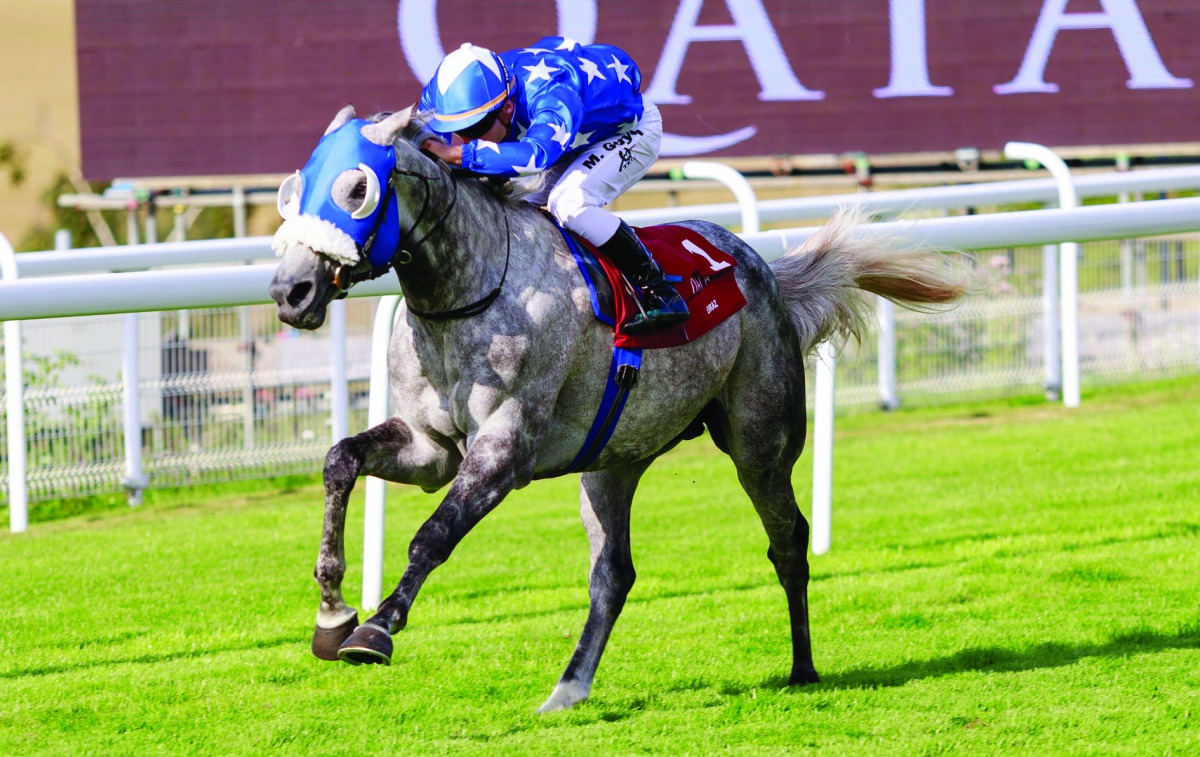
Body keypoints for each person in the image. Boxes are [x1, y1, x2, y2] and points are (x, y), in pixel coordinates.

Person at [417, 37, 689, 334]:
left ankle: (659, 290)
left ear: (507, 108)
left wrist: (458, 155)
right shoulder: (446, 91)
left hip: (630, 130)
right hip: (567, 140)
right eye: (458, 131)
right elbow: (424, 133)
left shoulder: (551, 94)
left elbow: (538, 154)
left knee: (569, 203)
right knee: (520, 208)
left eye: (475, 129)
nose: (466, 139)